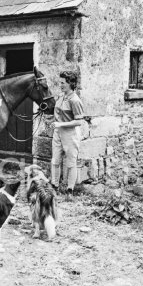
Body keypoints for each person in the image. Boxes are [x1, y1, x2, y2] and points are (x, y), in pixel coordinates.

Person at [50, 71, 85, 199]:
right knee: (55, 160)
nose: (60, 85)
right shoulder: (61, 96)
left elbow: (79, 121)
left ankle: (70, 191)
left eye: (63, 83)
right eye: (60, 82)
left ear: (71, 83)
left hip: (70, 134)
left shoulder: (75, 100)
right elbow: (57, 113)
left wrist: (60, 125)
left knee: (71, 163)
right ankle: (54, 187)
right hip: (58, 133)